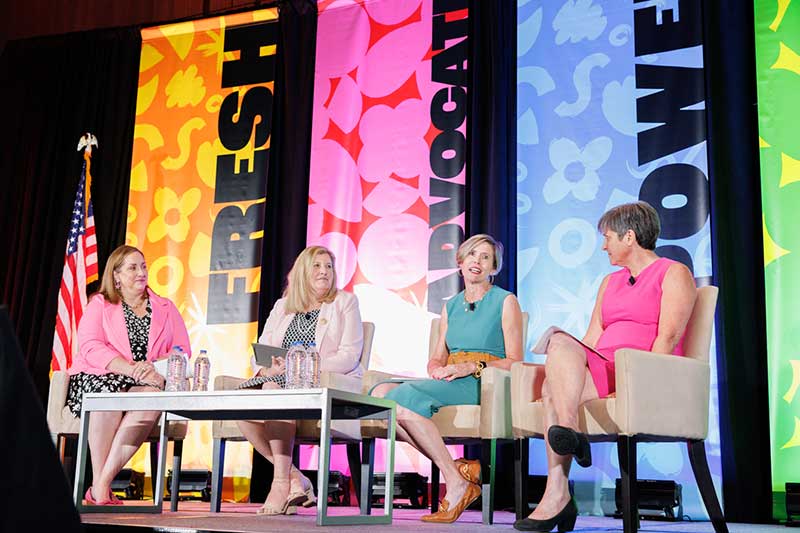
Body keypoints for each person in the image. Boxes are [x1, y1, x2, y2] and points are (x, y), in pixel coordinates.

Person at [513, 201, 697, 532]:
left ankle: (556, 495)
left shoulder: (674, 272)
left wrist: (638, 382)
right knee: (559, 348)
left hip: (639, 369)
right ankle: (568, 436)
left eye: (607, 237)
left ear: (629, 236)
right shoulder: (609, 282)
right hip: (602, 365)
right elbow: (592, 337)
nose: (603, 245)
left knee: (551, 391)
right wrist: (568, 360)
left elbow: (667, 339)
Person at [371, 234, 524, 523]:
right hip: (452, 378)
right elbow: (438, 355)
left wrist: (469, 367)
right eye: (472, 255)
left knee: (402, 401)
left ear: (494, 267)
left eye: (485, 257)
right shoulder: (450, 306)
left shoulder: (506, 301)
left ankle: (455, 482)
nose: (477, 262)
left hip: (484, 380)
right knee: (381, 395)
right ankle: (455, 473)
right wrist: (434, 367)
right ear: (460, 262)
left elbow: (515, 360)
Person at [236, 245, 364, 515]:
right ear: (304, 271)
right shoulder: (283, 305)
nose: (324, 272)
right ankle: (295, 478)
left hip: (322, 384)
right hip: (280, 381)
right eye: (317, 266)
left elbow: (349, 356)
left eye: (329, 266)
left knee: (275, 393)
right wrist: (268, 369)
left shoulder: (345, 302)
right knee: (242, 410)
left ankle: (280, 483)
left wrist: (305, 369)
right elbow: (261, 351)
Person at [67, 245, 190, 506]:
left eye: (143, 266)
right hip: (100, 374)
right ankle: (101, 488)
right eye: (133, 267)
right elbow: (90, 346)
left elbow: (182, 350)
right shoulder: (100, 304)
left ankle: (100, 484)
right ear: (116, 277)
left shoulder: (165, 307)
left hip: (144, 380)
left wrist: (154, 368)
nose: (141, 272)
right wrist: (130, 368)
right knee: (107, 397)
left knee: (153, 398)